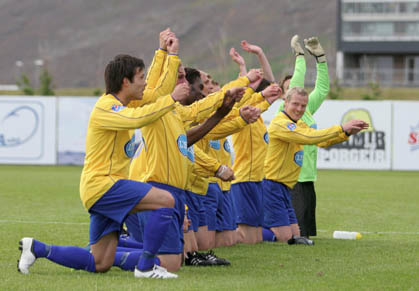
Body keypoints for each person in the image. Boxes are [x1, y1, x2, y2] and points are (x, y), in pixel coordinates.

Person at [17, 46, 191, 279]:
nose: (144, 84)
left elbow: (156, 93)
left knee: (100, 263)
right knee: (165, 200)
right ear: (125, 82)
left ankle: (36, 248)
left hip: (100, 189)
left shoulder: (125, 105)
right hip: (104, 185)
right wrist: (171, 99)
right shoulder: (106, 106)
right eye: (141, 78)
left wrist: (165, 53)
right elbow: (140, 117)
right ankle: (146, 267)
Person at [263, 87, 368, 244]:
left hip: (285, 188)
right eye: (295, 104)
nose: (299, 109)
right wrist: (340, 128)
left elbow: (321, 140)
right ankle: (246, 231)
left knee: (296, 235)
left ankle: (255, 229)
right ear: (285, 102)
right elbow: (308, 137)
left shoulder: (298, 124)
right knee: (283, 238)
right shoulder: (281, 123)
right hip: (272, 186)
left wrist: (346, 134)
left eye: (303, 106)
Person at [270, 35, 330, 241]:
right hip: (291, 176)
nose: (298, 103)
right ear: (285, 98)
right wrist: (300, 56)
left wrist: (321, 59)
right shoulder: (283, 110)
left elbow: (322, 89)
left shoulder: (305, 109)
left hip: (308, 174)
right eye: (290, 92)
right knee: (294, 232)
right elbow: (297, 83)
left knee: (305, 231)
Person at [229, 40, 280, 244]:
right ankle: (219, 236)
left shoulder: (257, 113)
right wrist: (242, 72)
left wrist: (259, 53)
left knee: (256, 238)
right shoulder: (243, 111)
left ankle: (222, 234)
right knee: (248, 238)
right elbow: (241, 92)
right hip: (244, 180)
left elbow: (273, 87)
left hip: (256, 179)